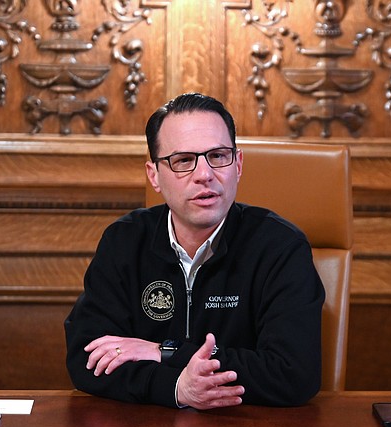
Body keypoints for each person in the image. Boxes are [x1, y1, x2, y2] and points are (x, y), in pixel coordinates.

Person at [65, 93, 325, 409]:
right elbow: (88, 357)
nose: (204, 174)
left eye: (218, 156)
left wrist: (165, 351)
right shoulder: (125, 241)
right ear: (154, 175)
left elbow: (294, 373)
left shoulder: (280, 246)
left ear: (238, 164)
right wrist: (176, 387)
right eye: (184, 160)